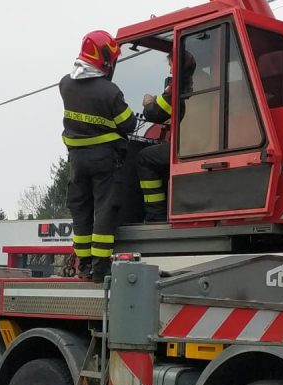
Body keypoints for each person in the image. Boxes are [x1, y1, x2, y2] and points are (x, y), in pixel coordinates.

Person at [60, 29, 136, 282]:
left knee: (81, 210)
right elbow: (128, 124)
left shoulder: (65, 85)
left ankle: (84, 266)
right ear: (104, 58)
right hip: (104, 160)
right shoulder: (109, 91)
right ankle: (100, 269)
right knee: (104, 209)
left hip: (77, 161)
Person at [137, 51, 196, 222]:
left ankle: (155, 214)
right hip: (200, 143)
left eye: (171, 65)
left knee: (144, 158)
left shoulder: (179, 85)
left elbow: (156, 113)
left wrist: (149, 103)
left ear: (178, 64)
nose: (170, 70)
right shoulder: (200, 80)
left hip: (186, 146)